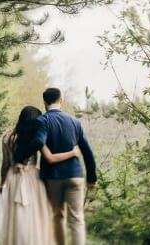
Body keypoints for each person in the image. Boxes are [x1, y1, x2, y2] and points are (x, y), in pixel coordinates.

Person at [13, 88, 97, 245]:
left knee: (58, 216)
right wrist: (91, 178)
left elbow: (38, 141)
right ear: (61, 101)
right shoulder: (75, 122)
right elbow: (87, 152)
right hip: (75, 175)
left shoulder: (42, 121)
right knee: (77, 219)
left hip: (53, 177)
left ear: (45, 103)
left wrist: (20, 156)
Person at [0, 105, 80, 245]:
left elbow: (5, 164)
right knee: (33, 217)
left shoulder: (7, 137)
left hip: (12, 178)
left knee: (16, 217)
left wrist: (2, 185)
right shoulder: (37, 138)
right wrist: (73, 153)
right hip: (32, 179)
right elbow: (50, 158)